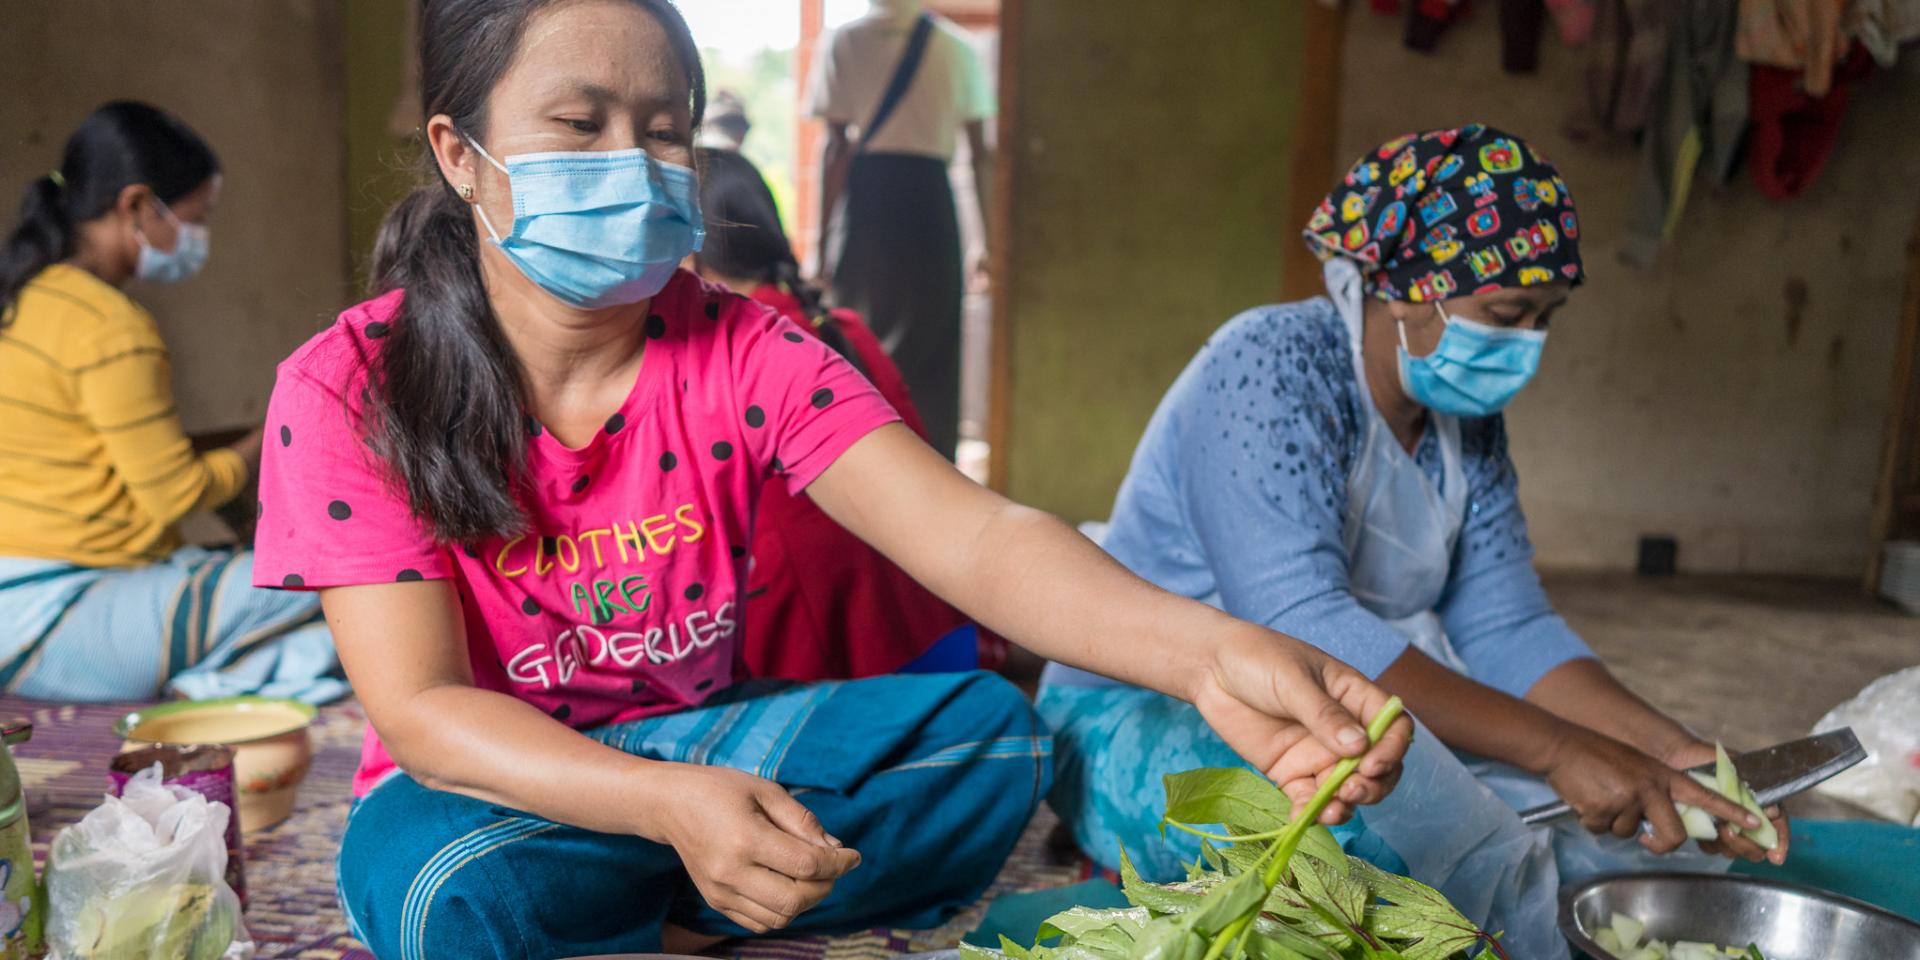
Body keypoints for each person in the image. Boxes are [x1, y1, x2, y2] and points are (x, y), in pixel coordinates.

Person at [254, 3, 1412, 958]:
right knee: (442, 890)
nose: (634, 163)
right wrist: (660, 807)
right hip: (497, 785)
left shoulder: (745, 349)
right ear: (463, 155)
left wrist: (1208, 654)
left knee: (991, 735)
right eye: (579, 123)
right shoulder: (352, 385)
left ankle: (665, 893)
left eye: (665, 130)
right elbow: (425, 713)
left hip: (706, 741)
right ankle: (686, 880)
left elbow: (981, 542)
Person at [1037, 126, 1793, 960]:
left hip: (1355, 715)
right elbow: (1302, 625)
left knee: (1620, 837)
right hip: (1149, 707)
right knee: (1368, 874)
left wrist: (1664, 747)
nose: (1526, 347)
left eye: (1545, 319)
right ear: (1405, 289)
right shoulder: (1268, 366)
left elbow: (1508, 624)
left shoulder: (1468, 429)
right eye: (1506, 316)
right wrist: (1559, 748)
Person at [0, 101, 342, 704]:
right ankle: (228, 679)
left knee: (260, 588)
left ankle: (220, 679)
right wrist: (270, 435)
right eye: (195, 217)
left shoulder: (24, 299)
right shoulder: (108, 325)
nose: (197, 237)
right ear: (136, 205)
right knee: (337, 561)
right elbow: (175, 494)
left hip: (18, 607)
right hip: (59, 622)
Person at [689, 146, 985, 679]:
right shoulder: (843, 328)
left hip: (839, 675)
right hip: (938, 635)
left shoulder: (723, 360)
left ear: (688, 251)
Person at [807, 0, 993, 461]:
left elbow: (834, 150)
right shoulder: (957, 47)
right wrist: (986, 241)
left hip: (869, 203)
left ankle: (862, 464)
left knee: (861, 340)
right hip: (931, 205)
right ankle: (933, 467)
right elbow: (981, 153)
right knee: (934, 349)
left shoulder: (844, 42)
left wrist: (822, 244)